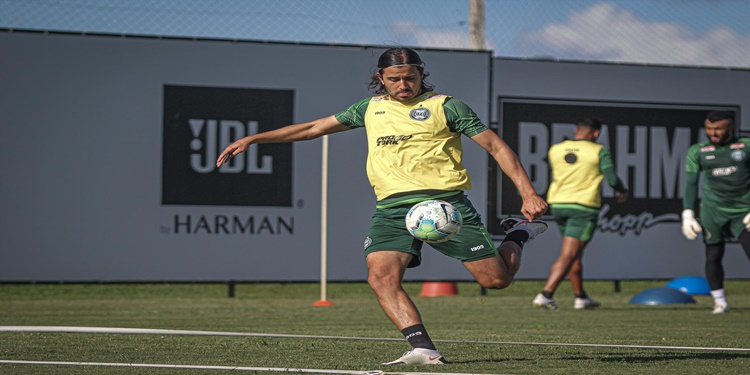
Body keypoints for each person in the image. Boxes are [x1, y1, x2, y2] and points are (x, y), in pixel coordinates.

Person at [216, 47, 548, 365]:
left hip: (444, 205)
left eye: (411, 78)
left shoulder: (446, 106)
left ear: (421, 75)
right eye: (395, 79)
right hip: (391, 209)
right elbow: (313, 128)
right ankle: (423, 350)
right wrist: (253, 139)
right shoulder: (369, 108)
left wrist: (527, 193)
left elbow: (497, 147)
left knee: (496, 281)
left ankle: (518, 233)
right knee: (381, 277)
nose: (403, 85)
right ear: (381, 77)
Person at [533, 118, 629, 311]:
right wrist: (623, 191)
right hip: (583, 207)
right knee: (569, 253)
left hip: (558, 204)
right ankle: (546, 294)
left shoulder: (556, 149)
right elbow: (612, 179)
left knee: (574, 253)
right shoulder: (599, 151)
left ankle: (580, 297)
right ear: (595, 133)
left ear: (576, 130)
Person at [681, 111, 750, 314]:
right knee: (713, 256)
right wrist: (687, 214)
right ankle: (719, 301)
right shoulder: (698, 151)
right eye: (709, 129)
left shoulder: (746, 146)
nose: (713, 133)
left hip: (743, 211)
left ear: (731, 128)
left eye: (718, 128)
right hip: (713, 211)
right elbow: (690, 185)